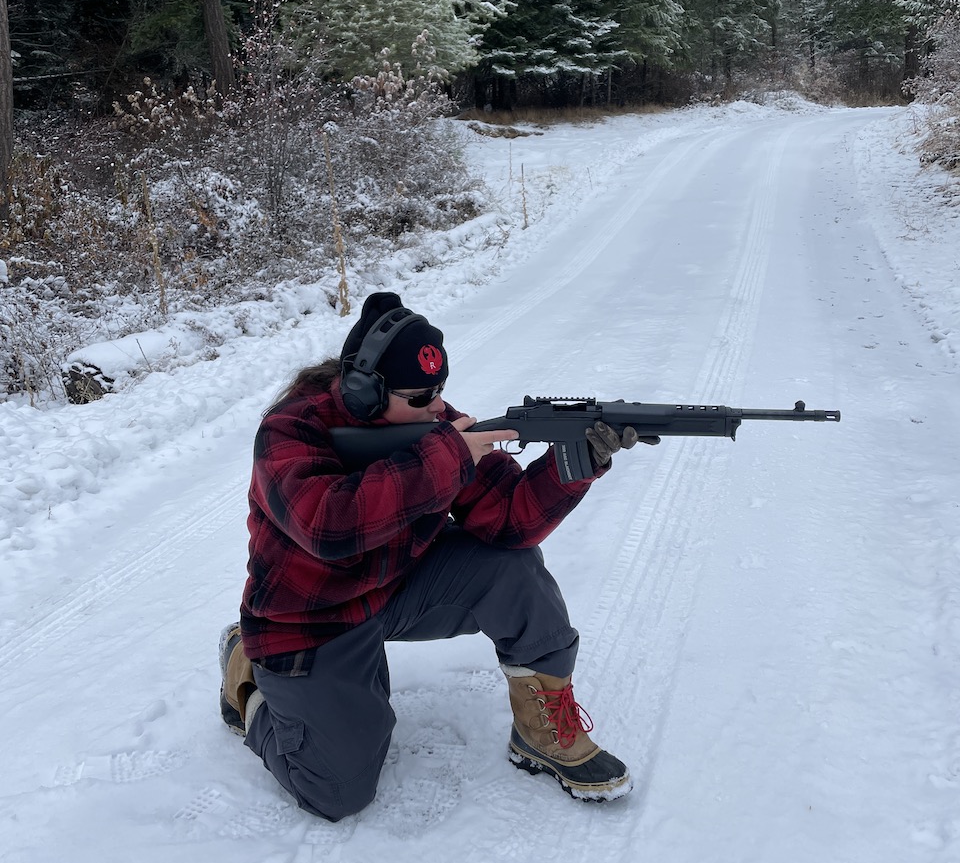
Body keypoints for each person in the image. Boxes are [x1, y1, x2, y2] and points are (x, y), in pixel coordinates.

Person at [219, 291, 655, 820]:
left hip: (394, 587)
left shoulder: (433, 425)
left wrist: (573, 465)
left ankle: (542, 732)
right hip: (312, 621)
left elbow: (510, 521)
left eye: (440, 392)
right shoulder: (291, 430)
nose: (438, 409)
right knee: (338, 793)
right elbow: (327, 526)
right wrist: (446, 454)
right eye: (421, 397)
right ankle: (250, 681)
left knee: (510, 569)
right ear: (364, 391)